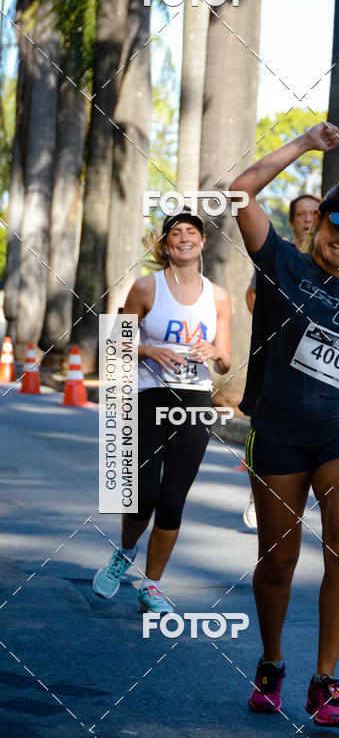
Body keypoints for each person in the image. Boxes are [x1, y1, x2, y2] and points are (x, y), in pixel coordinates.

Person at [230, 122, 339, 728]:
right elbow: (239, 192)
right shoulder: (280, 261)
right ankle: (272, 662)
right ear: (319, 221)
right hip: (278, 430)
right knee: (278, 561)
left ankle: (326, 681)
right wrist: (304, 144)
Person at [93, 207, 232, 613]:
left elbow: (226, 360)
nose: (184, 238)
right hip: (150, 396)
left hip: (195, 401)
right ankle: (125, 553)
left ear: (202, 242)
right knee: (144, 494)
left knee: (173, 500)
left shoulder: (218, 297)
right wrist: (148, 349)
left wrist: (216, 352)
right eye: (176, 233)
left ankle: (151, 587)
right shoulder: (145, 288)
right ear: (166, 244)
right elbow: (114, 341)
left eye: (192, 232)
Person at [242, 193, 321, 530]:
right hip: (279, 358)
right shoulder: (281, 254)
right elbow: (252, 294)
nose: (307, 219)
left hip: (316, 367)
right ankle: (259, 493)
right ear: (291, 222)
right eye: (300, 214)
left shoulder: (333, 257)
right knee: (268, 427)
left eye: (313, 213)